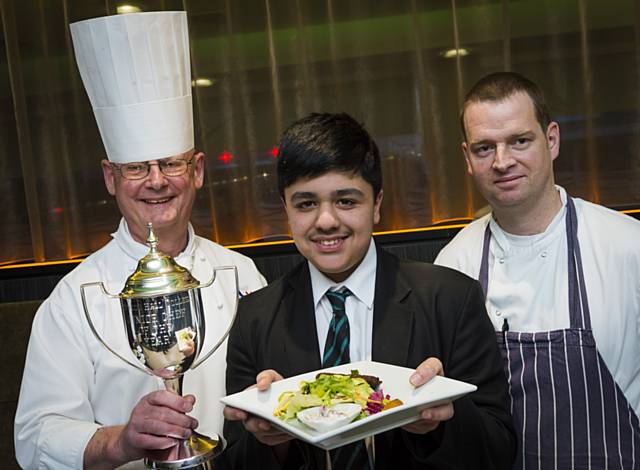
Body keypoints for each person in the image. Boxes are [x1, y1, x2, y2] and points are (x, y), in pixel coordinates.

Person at [14, 12, 266, 469]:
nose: (156, 182)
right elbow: (35, 439)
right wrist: (120, 442)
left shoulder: (242, 273)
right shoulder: (73, 298)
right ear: (110, 177)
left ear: (198, 170)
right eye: (136, 168)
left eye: (171, 163)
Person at [222, 112, 516, 469]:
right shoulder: (255, 316)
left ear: (376, 205)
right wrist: (270, 441)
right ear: (286, 209)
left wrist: (438, 424)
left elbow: (498, 450)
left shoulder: (451, 299)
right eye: (306, 204)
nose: (326, 220)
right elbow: (234, 461)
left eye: (346, 201)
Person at [435, 71, 640, 469]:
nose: (502, 161)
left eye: (520, 141)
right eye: (484, 148)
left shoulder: (627, 244)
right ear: (466, 158)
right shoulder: (454, 264)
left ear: (552, 140)